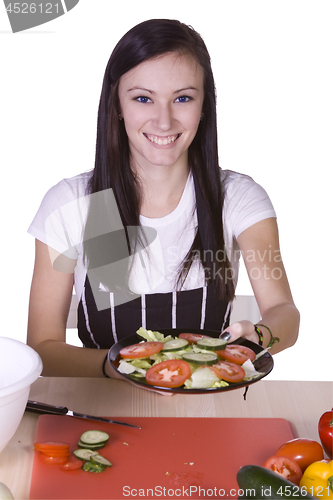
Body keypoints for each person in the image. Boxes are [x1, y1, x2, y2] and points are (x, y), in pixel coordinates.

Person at [27, 19, 300, 380]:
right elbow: (42, 348)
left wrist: (260, 337)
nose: (164, 120)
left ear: (205, 106)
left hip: (205, 414)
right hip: (102, 413)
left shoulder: (238, 198)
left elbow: (285, 312)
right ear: (117, 104)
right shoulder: (68, 205)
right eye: (143, 98)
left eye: (183, 98)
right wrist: (134, 370)